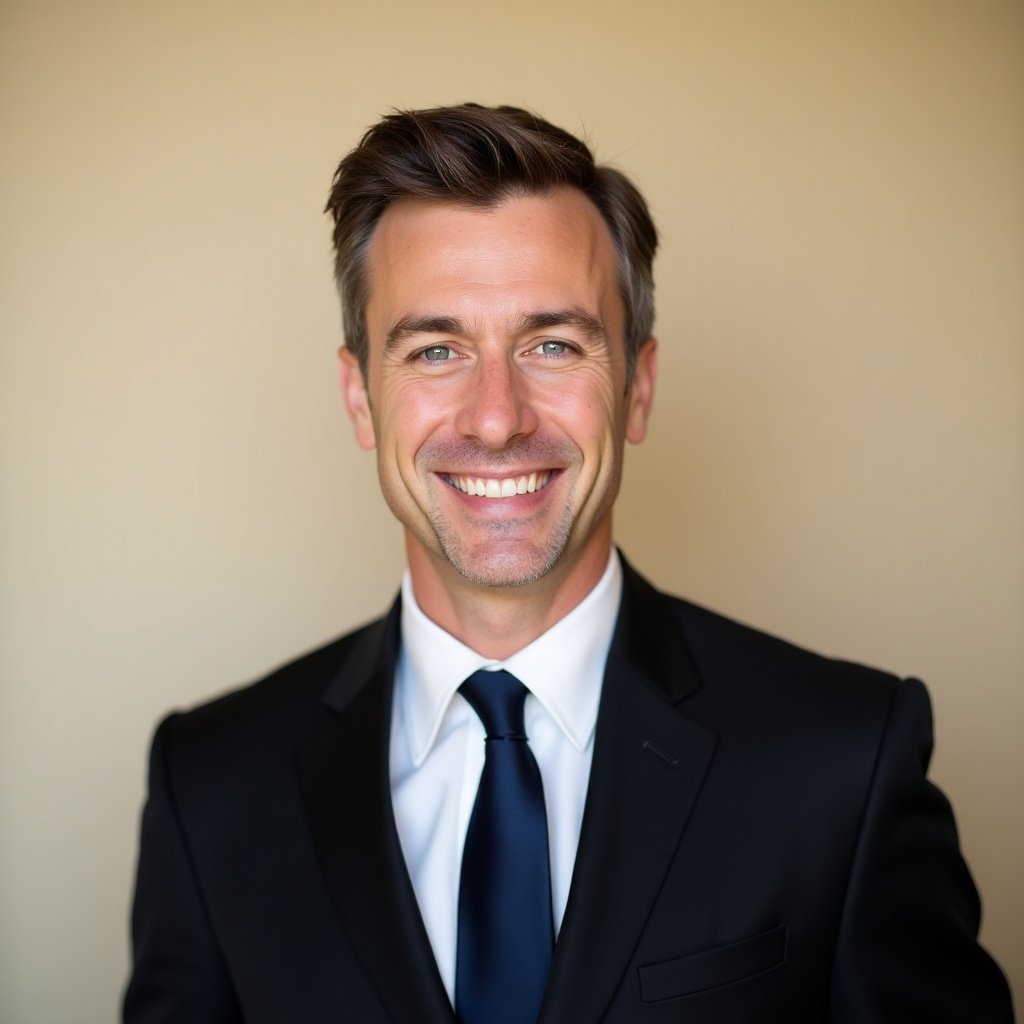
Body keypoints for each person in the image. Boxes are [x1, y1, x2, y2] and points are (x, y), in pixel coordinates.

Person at [123, 104, 1014, 1023]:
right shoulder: (211, 789)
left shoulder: (844, 765)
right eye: (436, 349)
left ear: (637, 386)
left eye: (552, 345)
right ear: (360, 397)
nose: (497, 417)